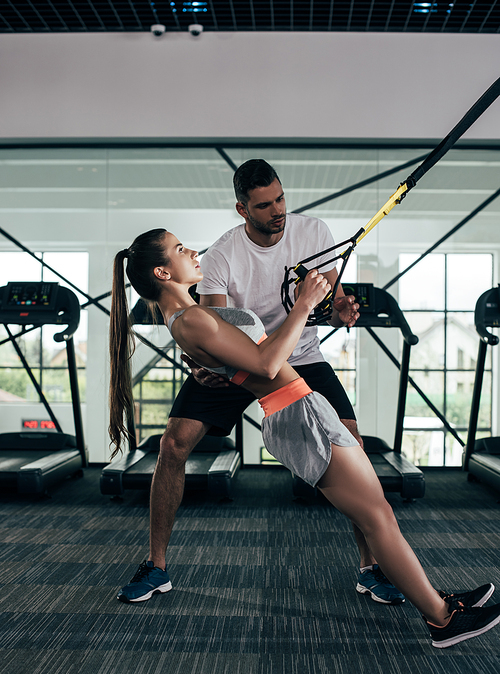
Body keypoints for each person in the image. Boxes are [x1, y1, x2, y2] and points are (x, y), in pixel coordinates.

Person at [109, 227, 500, 649]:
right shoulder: (193, 320)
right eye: (180, 249)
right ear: (163, 272)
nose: (193, 251)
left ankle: (439, 602)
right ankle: (441, 619)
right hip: (299, 413)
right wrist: (305, 304)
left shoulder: (189, 319)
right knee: (377, 517)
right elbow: (267, 361)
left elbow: (239, 354)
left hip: (298, 409)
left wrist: (308, 312)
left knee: (378, 513)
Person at [118, 158, 406, 607]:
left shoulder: (315, 233)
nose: (278, 210)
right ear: (242, 208)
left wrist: (342, 308)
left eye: (280, 199)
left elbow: (330, 300)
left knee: (351, 439)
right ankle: (155, 566)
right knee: (173, 444)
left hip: (301, 354)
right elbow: (213, 324)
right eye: (265, 204)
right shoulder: (220, 256)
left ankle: (371, 569)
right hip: (246, 357)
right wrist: (202, 362)